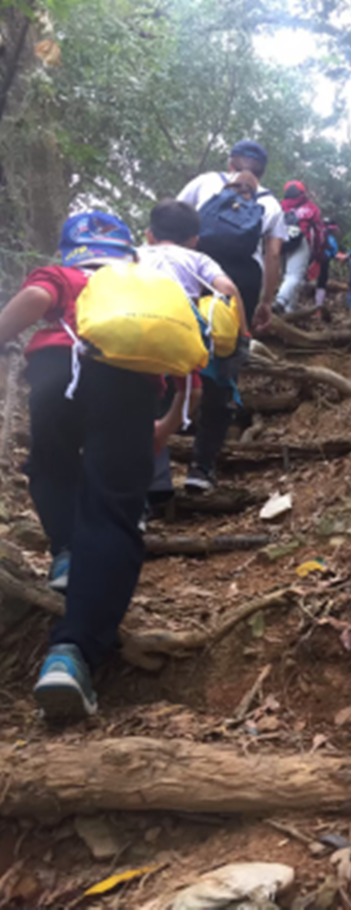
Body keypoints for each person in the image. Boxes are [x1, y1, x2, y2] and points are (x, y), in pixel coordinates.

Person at [0, 211, 175, 719]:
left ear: (70, 249)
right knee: (113, 510)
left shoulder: (67, 275)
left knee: (48, 464)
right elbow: (188, 356)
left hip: (57, 372)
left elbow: (33, 302)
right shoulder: (145, 288)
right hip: (130, 386)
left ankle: (67, 552)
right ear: (128, 251)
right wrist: (167, 423)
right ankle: (70, 655)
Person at [177, 139, 288, 492]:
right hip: (242, 281)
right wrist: (266, 302)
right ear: (263, 169)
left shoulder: (204, 182)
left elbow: (172, 220)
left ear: (231, 161)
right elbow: (272, 256)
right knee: (225, 362)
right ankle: (202, 466)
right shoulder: (270, 202)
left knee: (175, 346)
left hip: (193, 273)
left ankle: (157, 458)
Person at [137, 198, 246, 504]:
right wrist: (242, 334)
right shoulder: (198, 259)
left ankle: (154, 480)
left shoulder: (133, 255)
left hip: (138, 335)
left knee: (147, 400)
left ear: (149, 234)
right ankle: (201, 469)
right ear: (195, 240)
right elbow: (229, 291)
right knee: (217, 395)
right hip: (184, 334)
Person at [275, 180, 325, 314]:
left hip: (280, 242)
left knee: (287, 277)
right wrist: (318, 251)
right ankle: (280, 302)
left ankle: (290, 309)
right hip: (301, 241)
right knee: (295, 276)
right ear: (302, 192)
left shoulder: (279, 206)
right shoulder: (311, 208)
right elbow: (319, 231)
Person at [314, 218, 340, 309]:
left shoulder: (315, 233)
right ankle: (318, 305)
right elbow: (334, 252)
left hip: (312, 259)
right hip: (324, 260)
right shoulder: (331, 239)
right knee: (322, 281)